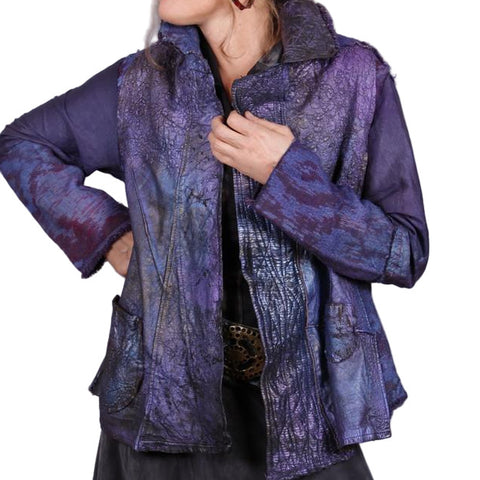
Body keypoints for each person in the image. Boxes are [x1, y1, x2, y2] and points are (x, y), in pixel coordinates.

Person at [0, 0, 429, 479]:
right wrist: (110, 235)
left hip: (308, 409)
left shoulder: (352, 78)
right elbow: (25, 145)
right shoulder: (143, 84)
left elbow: (404, 251)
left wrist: (287, 176)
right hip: (162, 408)